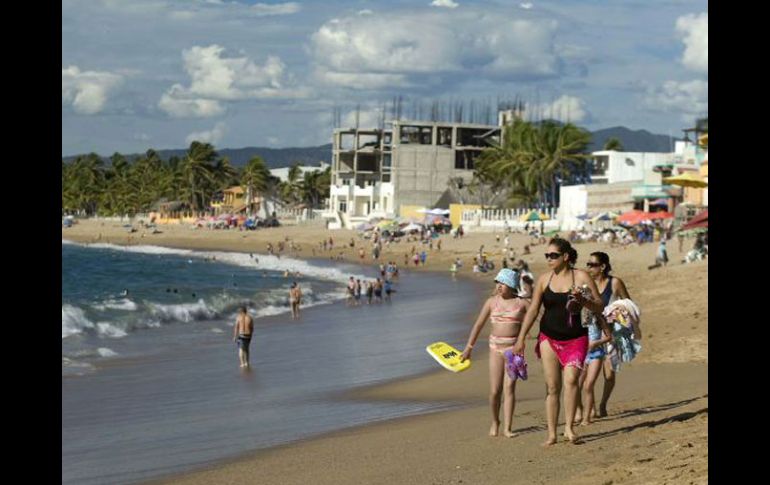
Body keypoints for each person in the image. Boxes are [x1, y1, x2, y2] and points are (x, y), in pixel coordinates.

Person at [511, 238, 604, 446]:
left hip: (576, 338)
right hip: (549, 338)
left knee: (571, 381)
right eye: (547, 255)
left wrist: (584, 301)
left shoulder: (580, 276)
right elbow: (534, 310)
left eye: (553, 255)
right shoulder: (544, 279)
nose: (549, 259)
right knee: (553, 387)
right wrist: (521, 339)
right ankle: (552, 434)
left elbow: (599, 305)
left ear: (565, 257)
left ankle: (569, 428)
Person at [460, 269, 531, 438]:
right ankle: (495, 421)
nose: (499, 286)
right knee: (494, 391)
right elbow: (478, 325)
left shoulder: (522, 304)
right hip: (495, 349)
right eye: (498, 282)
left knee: (509, 388)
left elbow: (538, 316)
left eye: (503, 283)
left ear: (512, 285)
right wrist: (468, 348)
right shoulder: (492, 302)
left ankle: (508, 427)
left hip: (513, 350)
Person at [581, 251, 632, 419]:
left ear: (602, 267)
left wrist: (615, 315)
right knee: (587, 376)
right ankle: (591, 407)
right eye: (587, 264)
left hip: (613, 333)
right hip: (593, 333)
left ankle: (603, 404)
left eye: (592, 265)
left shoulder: (615, 282)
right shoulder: (586, 285)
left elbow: (628, 304)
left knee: (609, 374)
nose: (589, 267)